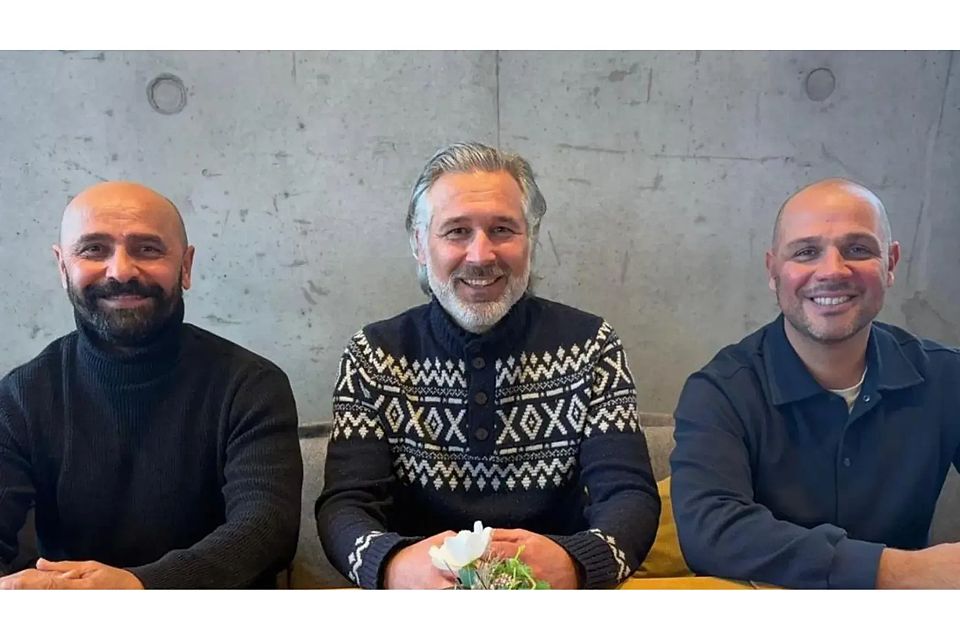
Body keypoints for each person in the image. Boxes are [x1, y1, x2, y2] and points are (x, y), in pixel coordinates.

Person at [315, 142, 660, 589]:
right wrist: (391, 566)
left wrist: (576, 564)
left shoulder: (593, 346)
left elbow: (629, 496)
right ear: (420, 244)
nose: (480, 256)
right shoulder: (373, 355)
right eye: (457, 231)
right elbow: (345, 505)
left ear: (530, 240)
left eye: (502, 229)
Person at [0, 182, 303, 589]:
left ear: (185, 266)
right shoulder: (20, 397)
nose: (121, 271)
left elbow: (267, 528)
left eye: (147, 249)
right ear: (62, 267)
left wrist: (142, 586)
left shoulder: (251, 386)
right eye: (93, 249)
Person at [671, 177, 960, 589]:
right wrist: (901, 570)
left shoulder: (947, 377)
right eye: (806, 252)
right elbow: (710, 532)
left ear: (891, 264)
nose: (832, 271)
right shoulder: (720, 391)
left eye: (857, 249)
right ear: (773, 270)